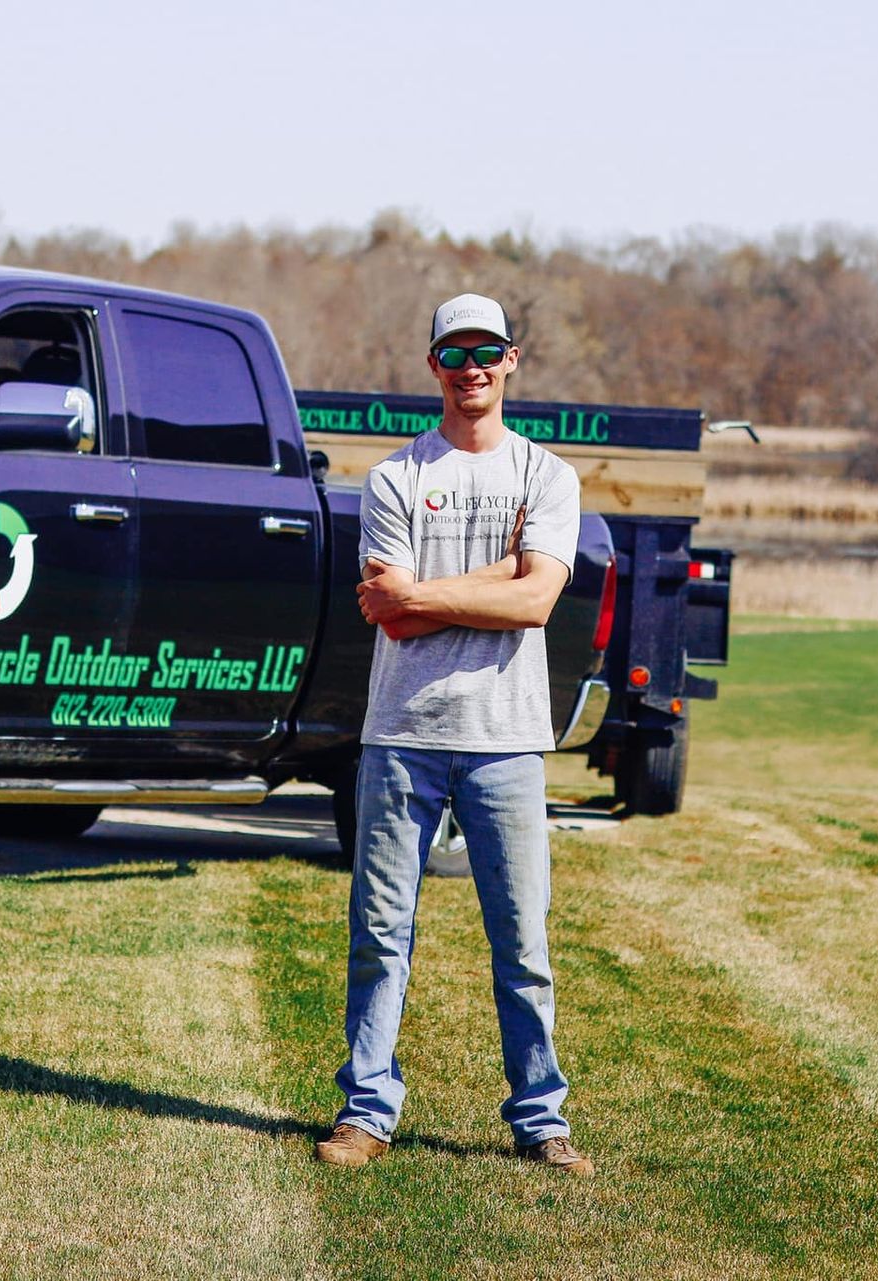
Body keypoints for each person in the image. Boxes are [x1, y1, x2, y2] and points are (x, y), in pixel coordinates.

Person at [314, 293, 593, 1176]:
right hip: (402, 735)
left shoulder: (546, 477)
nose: (470, 366)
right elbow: (390, 623)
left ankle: (542, 1119)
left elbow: (537, 601)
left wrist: (427, 593)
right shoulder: (396, 477)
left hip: (508, 739)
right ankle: (366, 1111)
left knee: (522, 942)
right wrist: (501, 574)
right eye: (453, 352)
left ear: (513, 359)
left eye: (486, 350)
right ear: (432, 364)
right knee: (379, 932)